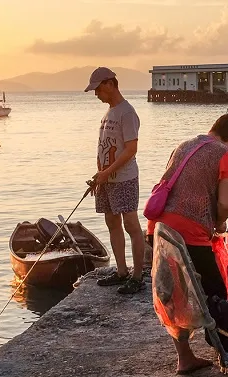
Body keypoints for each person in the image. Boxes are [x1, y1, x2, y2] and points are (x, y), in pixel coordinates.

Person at [145, 113, 228, 374]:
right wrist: (221, 223)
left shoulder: (185, 146)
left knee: (174, 294)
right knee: (216, 293)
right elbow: (226, 203)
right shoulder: (225, 154)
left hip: (158, 229)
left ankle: (185, 358)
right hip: (188, 233)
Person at [85, 67, 146, 294]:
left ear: (110, 84)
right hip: (106, 179)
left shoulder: (127, 112)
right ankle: (121, 271)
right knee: (112, 223)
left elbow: (131, 149)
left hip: (125, 178)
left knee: (131, 224)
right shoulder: (109, 113)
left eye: (98, 89)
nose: (96, 94)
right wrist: (100, 175)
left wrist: (107, 171)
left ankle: (137, 276)